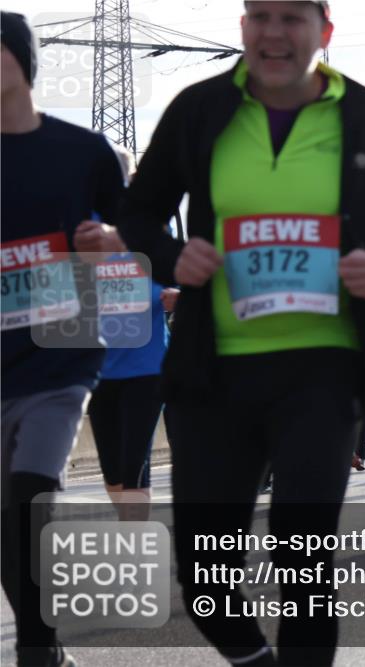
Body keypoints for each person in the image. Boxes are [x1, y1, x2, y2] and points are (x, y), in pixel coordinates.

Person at [115, 2, 365, 663]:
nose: (274, 32)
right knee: (205, 579)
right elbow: (137, 211)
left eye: (292, 17)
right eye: (260, 15)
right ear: (242, 26)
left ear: (324, 33)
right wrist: (169, 255)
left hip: (323, 373)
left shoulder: (362, 121)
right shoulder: (199, 111)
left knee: (302, 557)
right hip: (213, 374)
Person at [1, 13, 125, 666]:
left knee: (31, 495)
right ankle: (45, 643)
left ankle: (36, 653)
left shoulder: (81, 151)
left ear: (22, 63)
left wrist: (113, 239)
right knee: (6, 528)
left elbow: (141, 226)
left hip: (60, 356)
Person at [76, 145, 181, 521]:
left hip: (146, 363)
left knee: (134, 462)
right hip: (97, 366)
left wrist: (174, 296)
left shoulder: (150, 223)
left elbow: (174, 272)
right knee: (114, 473)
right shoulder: (78, 225)